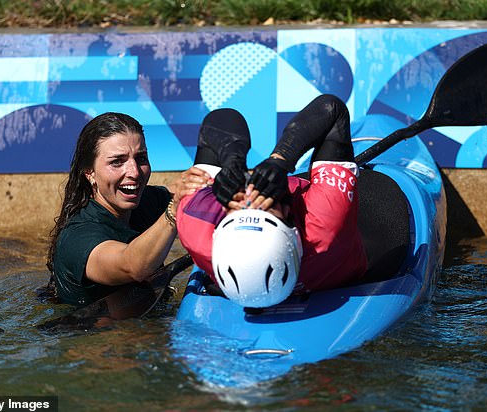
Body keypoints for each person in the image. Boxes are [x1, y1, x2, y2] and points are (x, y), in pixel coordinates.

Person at [176, 94, 368, 307]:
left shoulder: (197, 224)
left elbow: (220, 118)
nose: (250, 196)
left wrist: (232, 161)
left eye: (240, 210)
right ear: (287, 216)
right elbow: (333, 110)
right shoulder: (325, 223)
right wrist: (281, 159)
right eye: (263, 208)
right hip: (342, 267)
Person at [46, 112, 210, 306]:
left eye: (141, 158)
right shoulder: (77, 238)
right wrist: (173, 213)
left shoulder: (144, 202)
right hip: (96, 332)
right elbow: (133, 266)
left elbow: (185, 192)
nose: (134, 172)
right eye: (117, 162)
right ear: (89, 173)